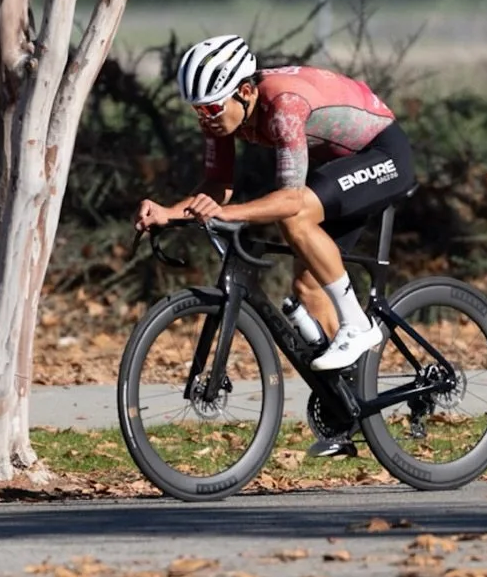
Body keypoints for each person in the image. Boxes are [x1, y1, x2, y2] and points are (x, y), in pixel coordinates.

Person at [134, 34, 418, 449]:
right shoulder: (225, 113)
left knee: (297, 215)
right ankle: (350, 406)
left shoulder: (283, 106)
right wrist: (168, 212)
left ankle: (357, 324)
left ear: (245, 91)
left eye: (211, 107)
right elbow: (217, 186)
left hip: (384, 155)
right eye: (197, 110)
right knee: (306, 288)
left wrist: (228, 214)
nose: (205, 118)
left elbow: (290, 200)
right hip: (340, 167)